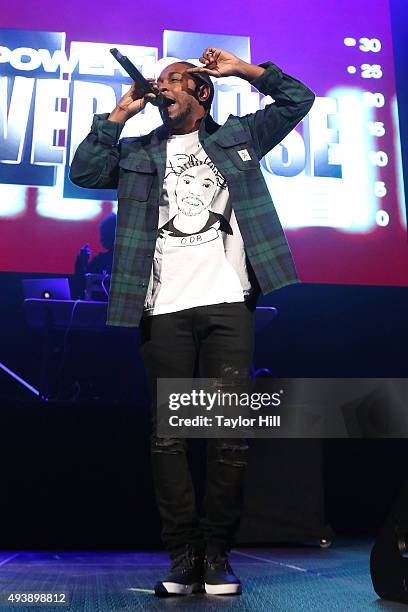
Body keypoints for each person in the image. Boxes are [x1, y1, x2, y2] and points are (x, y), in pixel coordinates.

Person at [69, 46, 315, 597]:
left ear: (201, 92)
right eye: (159, 83)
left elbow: (299, 98)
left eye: (174, 80)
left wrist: (247, 71)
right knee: (169, 438)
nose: (163, 87)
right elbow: (84, 170)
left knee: (228, 435)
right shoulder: (139, 151)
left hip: (228, 302)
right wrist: (117, 116)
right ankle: (183, 556)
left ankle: (218, 554)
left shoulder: (238, 138)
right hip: (162, 308)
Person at [74, 212, 116, 299]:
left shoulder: (99, 261)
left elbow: (81, 289)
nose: (101, 236)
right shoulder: (99, 260)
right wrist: (82, 263)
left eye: (104, 232)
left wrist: (81, 263)